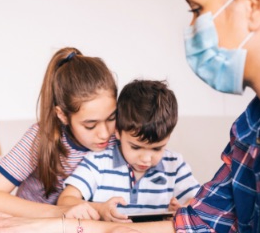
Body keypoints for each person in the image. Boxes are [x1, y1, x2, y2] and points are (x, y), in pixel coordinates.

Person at [0, 0, 260, 232]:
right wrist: (56, 223)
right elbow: (203, 219)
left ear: (253, 5)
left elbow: (192, 212)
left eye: (197, 9)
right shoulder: (256, 125)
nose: (191, 28)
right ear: (62, 116)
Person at [0, 47, 119, 218]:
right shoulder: (41, 137)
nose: (105, 134)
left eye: (111, 118)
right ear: (62, 115)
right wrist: (60, 212)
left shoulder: (121, 136)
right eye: (90, 125)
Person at [58, 80, 200, 222]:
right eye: (135, 147)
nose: (146, 159)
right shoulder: (97, 162)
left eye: (157, 148)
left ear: (168, 137)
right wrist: (99, 209)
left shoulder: (175, 165)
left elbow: (200, 202)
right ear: (118, 131)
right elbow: (65, 200)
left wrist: (184, 209)